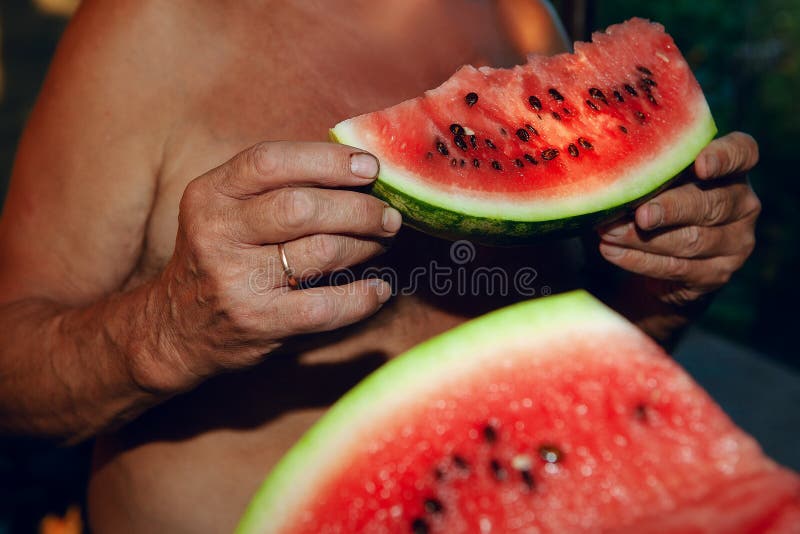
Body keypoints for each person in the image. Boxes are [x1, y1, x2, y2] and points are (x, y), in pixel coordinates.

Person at [0, 0, 760, 532]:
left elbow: (558, 373)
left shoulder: (530, 19)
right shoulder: (154, 23)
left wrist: (661, 293)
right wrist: (165, 332)